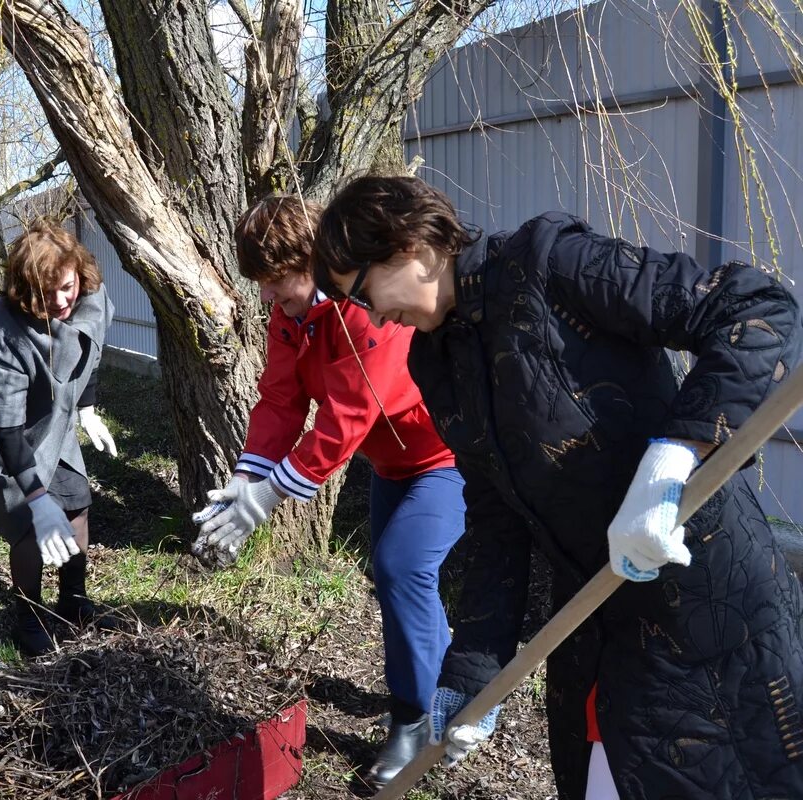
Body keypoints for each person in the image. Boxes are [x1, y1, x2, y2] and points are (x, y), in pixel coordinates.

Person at [312, 174, 803, 799]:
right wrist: (470, 675)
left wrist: (673, 458)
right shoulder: (433, 362)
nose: (374, 315)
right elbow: (495, 519)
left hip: (708, 605)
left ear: (410, 242)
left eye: (362, 292)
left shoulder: (550, 264)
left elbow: (753, 309)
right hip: (593, 622)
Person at [193, 195, 466, 788]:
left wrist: (268, 499)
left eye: (276, 280)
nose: (267, 295)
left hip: (444, 454)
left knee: (401, 569)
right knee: (397, 577)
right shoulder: (293, 315)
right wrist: (245, 479)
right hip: (393, 466)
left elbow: (349, 414)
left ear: (312, 261)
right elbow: (280, 399)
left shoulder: (363, 310)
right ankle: (458, 693)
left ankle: (415, 722)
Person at [0, 219, 117, 657]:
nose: (63, 301)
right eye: (48, 296)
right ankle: (28, 619)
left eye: (67, 287)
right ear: (26, 291)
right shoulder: (0, 332)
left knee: (77, 501)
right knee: (27, 523)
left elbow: (92, 350)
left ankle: (74, 603)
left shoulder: (90, 294)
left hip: (56, 413)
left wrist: (87, 407)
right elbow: (6, 428)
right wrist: (36, 496)